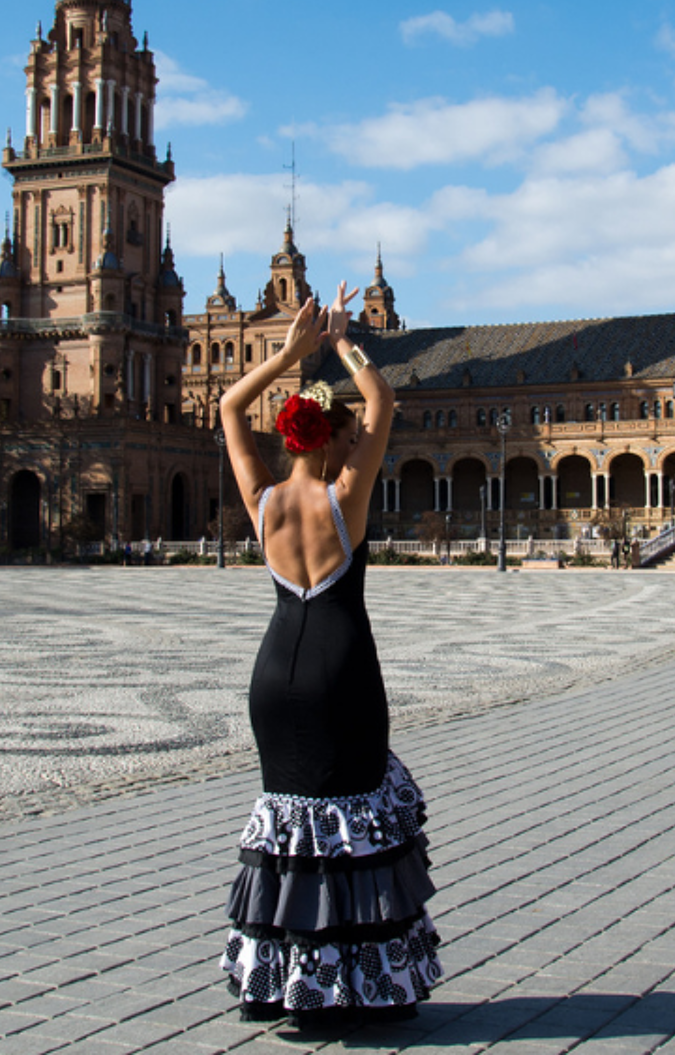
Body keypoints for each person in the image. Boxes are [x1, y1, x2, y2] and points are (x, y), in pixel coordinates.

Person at [215, 283, 443, 1028]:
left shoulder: (266, 501)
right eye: (345, 436)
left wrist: (287, 353)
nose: (356, 441)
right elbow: (382, 401)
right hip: (342, 671)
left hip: (275, 674)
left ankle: (281, 983)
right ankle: (365, 986)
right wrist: (344, 341)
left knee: (292, 825)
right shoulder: (347, 495)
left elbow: (226, 410)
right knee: (353, 824)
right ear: (329, 439)